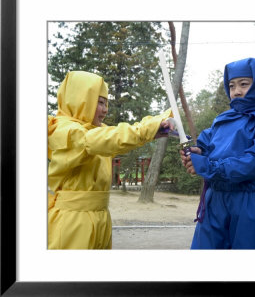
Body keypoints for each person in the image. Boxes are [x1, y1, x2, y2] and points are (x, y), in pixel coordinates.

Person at [47, 71, 174, 249]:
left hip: (101, 218)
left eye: (106, 103)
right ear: (80, 100)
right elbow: (100, 139)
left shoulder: (98, 132)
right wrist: (149, 128)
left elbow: (116, 139)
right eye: (99, 102)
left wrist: (153, 132)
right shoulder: (65, 130)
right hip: (72, 222)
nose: (105, 110)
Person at [180, 58, 255, 249]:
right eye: (231, 85)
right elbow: (205, 146)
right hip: (214, 200)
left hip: (248, 202)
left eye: (244, 84)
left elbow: (254, 162)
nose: (237, 91)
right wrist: (195, 154)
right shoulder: (221, 120)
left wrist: (208, 166)